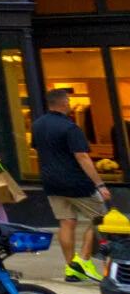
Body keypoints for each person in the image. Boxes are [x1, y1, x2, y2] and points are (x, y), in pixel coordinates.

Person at [32, 87, 113, 282]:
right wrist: (100, 184)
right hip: (76, 182)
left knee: (66, 222)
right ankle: (84, 259)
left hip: (51, 182)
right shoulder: (69, 127)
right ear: (63, 103)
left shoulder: (37, 125)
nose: (69, 103)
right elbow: (82, 156)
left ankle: (71, 267)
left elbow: (38, 149)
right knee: (101, 219)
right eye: (67, 100)